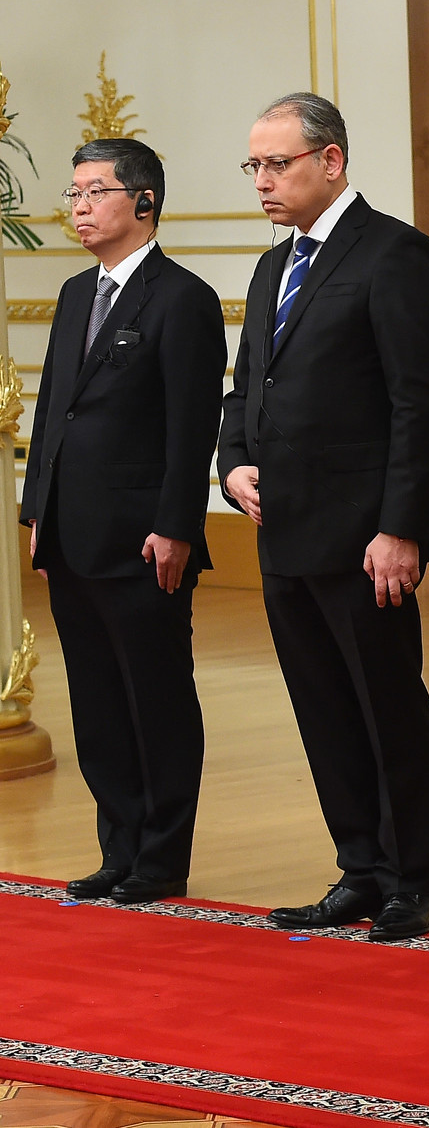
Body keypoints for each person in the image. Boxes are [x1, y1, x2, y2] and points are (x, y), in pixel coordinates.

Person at [218, 92, 429, 942]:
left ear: (332, 161)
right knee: (322, 706)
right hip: (284, 532)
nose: (262, 181)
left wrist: (401, 528)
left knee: (386, 703)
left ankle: (412, 880)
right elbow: (249, 386)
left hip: (364, 537)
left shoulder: (394, 252)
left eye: (276, 163)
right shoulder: (272, 265)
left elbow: (419, 403)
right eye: (254, 165)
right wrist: (233, 459)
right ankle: (360, 866)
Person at [21, 138, 225, 905]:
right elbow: (52, 414)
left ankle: (162, 855)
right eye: (72, 194)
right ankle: (119, 846)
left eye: (93, 192)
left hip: (145, 539)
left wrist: (176, 523)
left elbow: (190, 424)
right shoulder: (76, 293)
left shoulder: (182, 297)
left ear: (143, 201)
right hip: (72, 534)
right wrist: (37, 508)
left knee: (156, 696)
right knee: (97, 701)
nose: (78, 207)